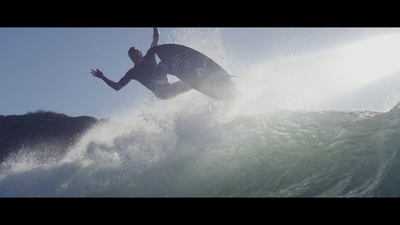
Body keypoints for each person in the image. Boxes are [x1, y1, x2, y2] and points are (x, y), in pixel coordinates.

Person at [91, 27, 192, 100]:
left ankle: (189, 74)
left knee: (163, 64)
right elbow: (117, 87)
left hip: (169, 86)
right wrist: (103, 77)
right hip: (162, 93)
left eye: (136, 56)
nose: (135, 59)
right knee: (163, 68)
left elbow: (155, 40)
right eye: (133, 58)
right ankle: (191, 78)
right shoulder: (133, 73)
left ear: (140, 53)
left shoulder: (150, 56)